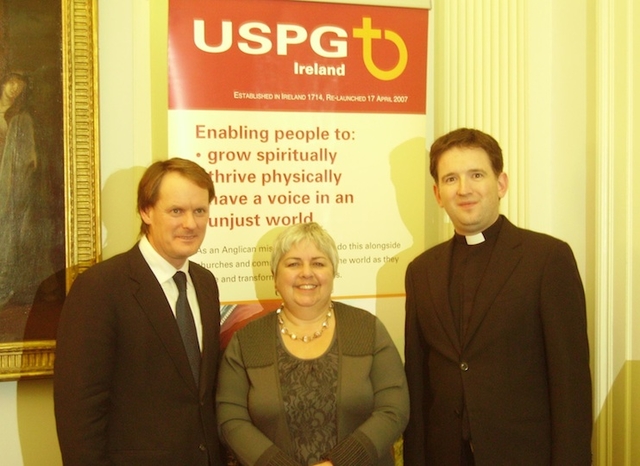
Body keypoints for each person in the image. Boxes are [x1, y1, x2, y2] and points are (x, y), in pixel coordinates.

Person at [403, 128, 592, 465]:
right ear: (437, 193)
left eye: (476, 175)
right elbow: (417, 384)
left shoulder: (547, 258)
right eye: (450, 179)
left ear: (501, 183)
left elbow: (571, 384)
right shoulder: (420, 271)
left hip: (525, 455)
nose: (464, 189)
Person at [54, 158, 223, 465]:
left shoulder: (205, 284)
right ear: (146, 212)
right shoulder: (100, 287)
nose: (191, 223)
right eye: (176, 211)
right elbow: (79, 410)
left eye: (200, 210)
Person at [217, 222, 409, 466]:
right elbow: (230, 420)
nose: (306, 273)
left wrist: (338, 463)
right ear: (275, 276)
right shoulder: (247, 341)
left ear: (333, 272)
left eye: (318, 263)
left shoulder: (366, 329)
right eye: (293, 263)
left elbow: (394, 409)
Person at [0, 72, 56, 307]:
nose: (15, 89)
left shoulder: (21, 119)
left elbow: (31, 158)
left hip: (10, 184)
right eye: (12, 82)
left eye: (20, 85)